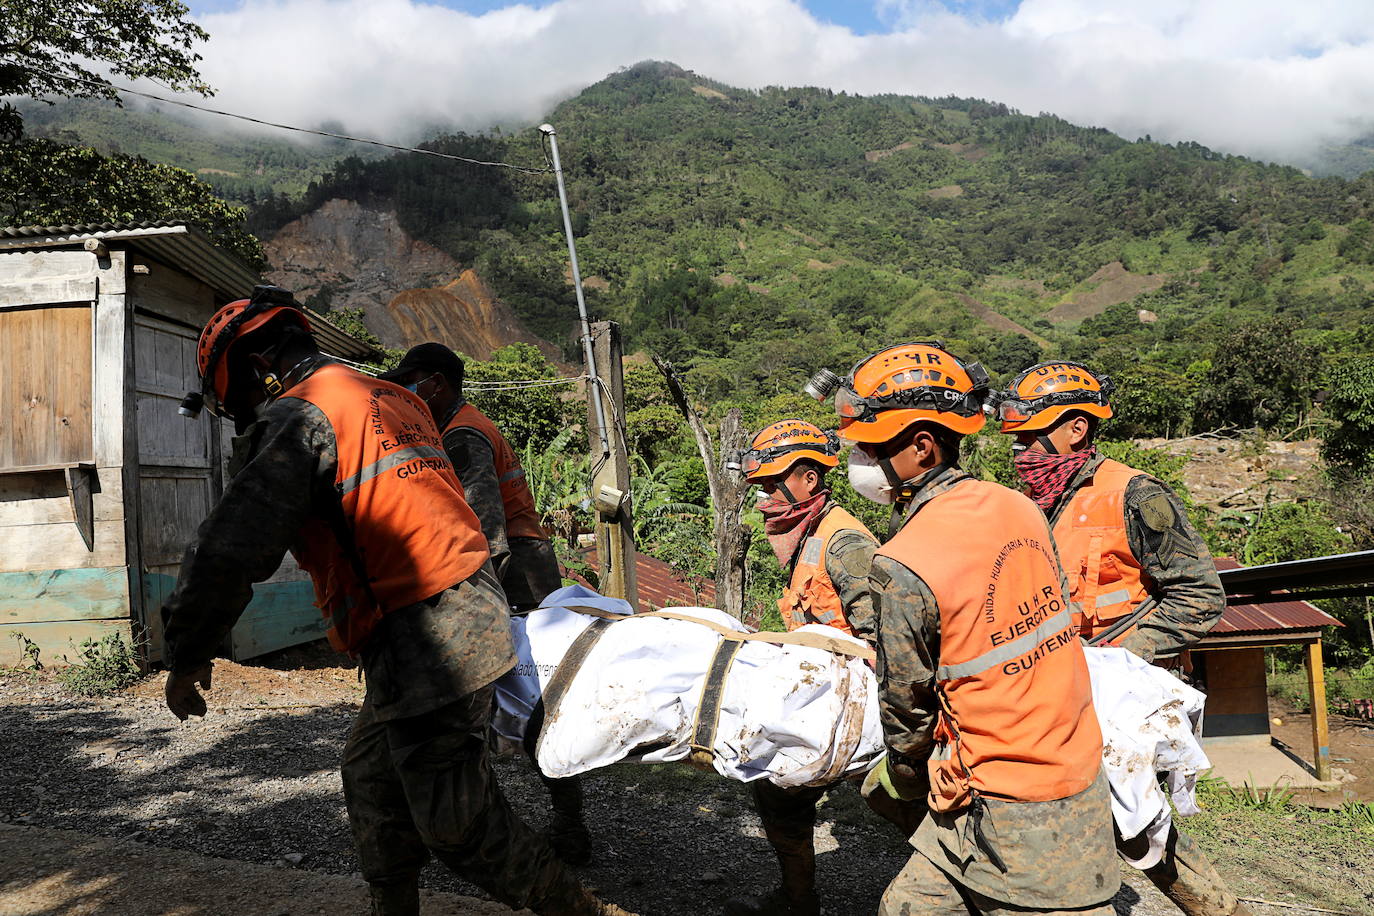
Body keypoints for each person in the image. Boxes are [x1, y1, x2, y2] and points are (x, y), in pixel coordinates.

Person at [158, 286, 632, 916]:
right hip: (461, 610)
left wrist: (187, 651)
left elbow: (230, 550)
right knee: (374, 780)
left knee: (457, 821)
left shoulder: (300, 418)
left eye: (238, 398)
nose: (243, 415)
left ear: (256, 367)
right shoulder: (393, 400)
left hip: (427, 631)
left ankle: (581, 911)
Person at [837, 342, 1119, 916]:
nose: (859, 461)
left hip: (1006, 794)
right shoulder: (1018, 505)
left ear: (921, 446)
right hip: (1074, 754)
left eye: (870, 447)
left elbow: (906, 706)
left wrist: (907, 777)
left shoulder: (903, 563)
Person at [998, 361, 1248, 916]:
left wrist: (1121, 658)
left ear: (1075, 428)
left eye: (1028, 437)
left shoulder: (1135, 495)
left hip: (1121, 695)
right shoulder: (1036, 504)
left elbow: (1199, 596)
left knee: (1133, 831)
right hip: (1061, 687)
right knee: (1102, 824)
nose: (1020, 454)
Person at [379, 342, 591, 865]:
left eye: (414, 381)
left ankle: (564, 827)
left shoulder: (463, 434)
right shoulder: (457, 428)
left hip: (513, 569)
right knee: (523, 695)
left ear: (438, 384)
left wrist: (479, 597)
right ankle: (545, 821)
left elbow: (485, 525)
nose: (407, 393)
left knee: (532, 693)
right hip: (522, 562)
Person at [725, 419, 879, 916]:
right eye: (762, 487)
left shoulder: (845, 544)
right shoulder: (807, 534)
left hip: (859, 703)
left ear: (809, 479)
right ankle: (797, 899)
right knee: (776, 789)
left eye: (774, 484)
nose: (765, 497)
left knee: (898, 800)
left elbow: (881, 638)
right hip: (822, 697)